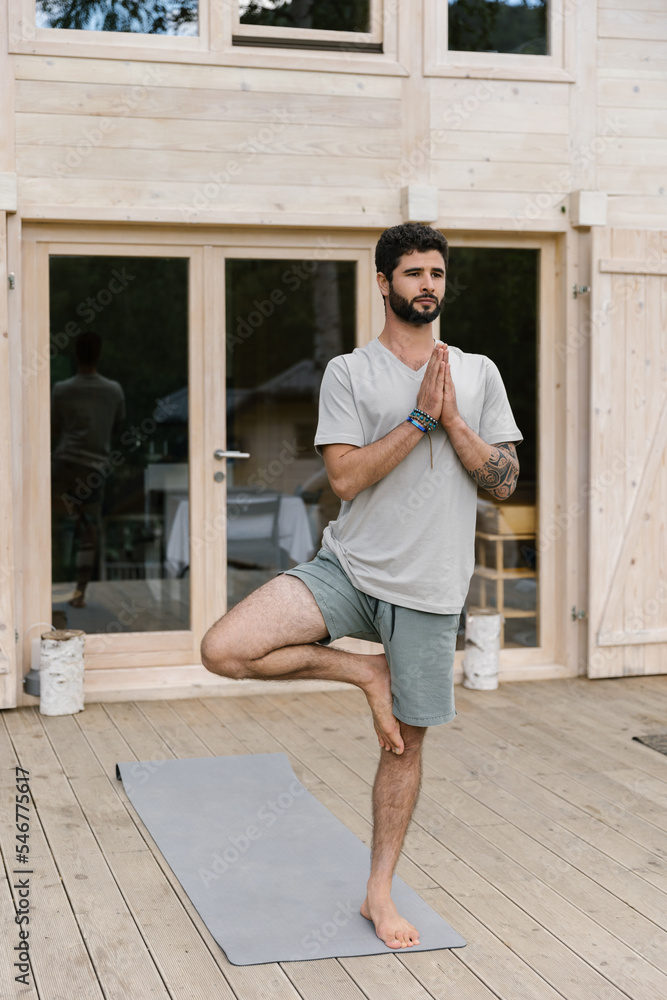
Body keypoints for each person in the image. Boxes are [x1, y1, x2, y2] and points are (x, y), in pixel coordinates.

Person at [201, 223, 522, 950]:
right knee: (225, 647)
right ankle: (364, 671)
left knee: (402, 748)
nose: (427, 285)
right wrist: (418, 419)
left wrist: (452, 421)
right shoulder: (349, 372)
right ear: (383, 282)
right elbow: (344, 478)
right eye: (412, 273)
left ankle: (378, 892)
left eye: (436, 273)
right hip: (348, 567)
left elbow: (503, 481)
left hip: (430, 589)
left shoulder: (477, 372)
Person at [51, 330, 125, 608]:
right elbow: (117, 426)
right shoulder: (113, 391)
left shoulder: (62, 389)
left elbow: (53, 428)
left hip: (64, 466)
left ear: (76, 354)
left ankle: (49, 586)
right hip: (93, 469)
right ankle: (80, 593)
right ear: (99, 354)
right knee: (89, 532)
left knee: (55, 526)